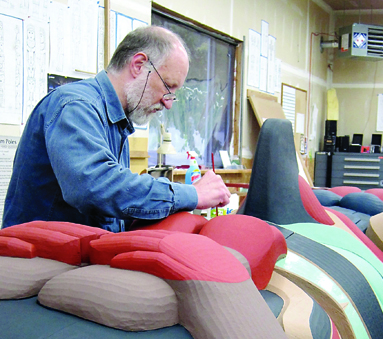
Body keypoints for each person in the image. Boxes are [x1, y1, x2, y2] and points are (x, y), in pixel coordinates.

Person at [2, 26, 231, 232]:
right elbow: (94, 186)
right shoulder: (76, 106)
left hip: (72, 257)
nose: (168, 102)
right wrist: (191, 194)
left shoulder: (117, 123)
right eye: (168, 86)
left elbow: (110, 209)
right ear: (139, 65)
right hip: (43, 260)